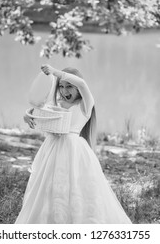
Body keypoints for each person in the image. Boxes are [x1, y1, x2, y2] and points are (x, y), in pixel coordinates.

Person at [15, 64, 131, 224]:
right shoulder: (57, 105)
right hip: (52, 149)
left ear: (77, 88)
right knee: (49, 185)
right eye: (61, 87)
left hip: (74, 151)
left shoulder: (85, 105)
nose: (64, 91)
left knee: (76, 185)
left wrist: (57, 73)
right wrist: (27, 116)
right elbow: (36, 112)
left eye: (69, 86)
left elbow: (83, 84)